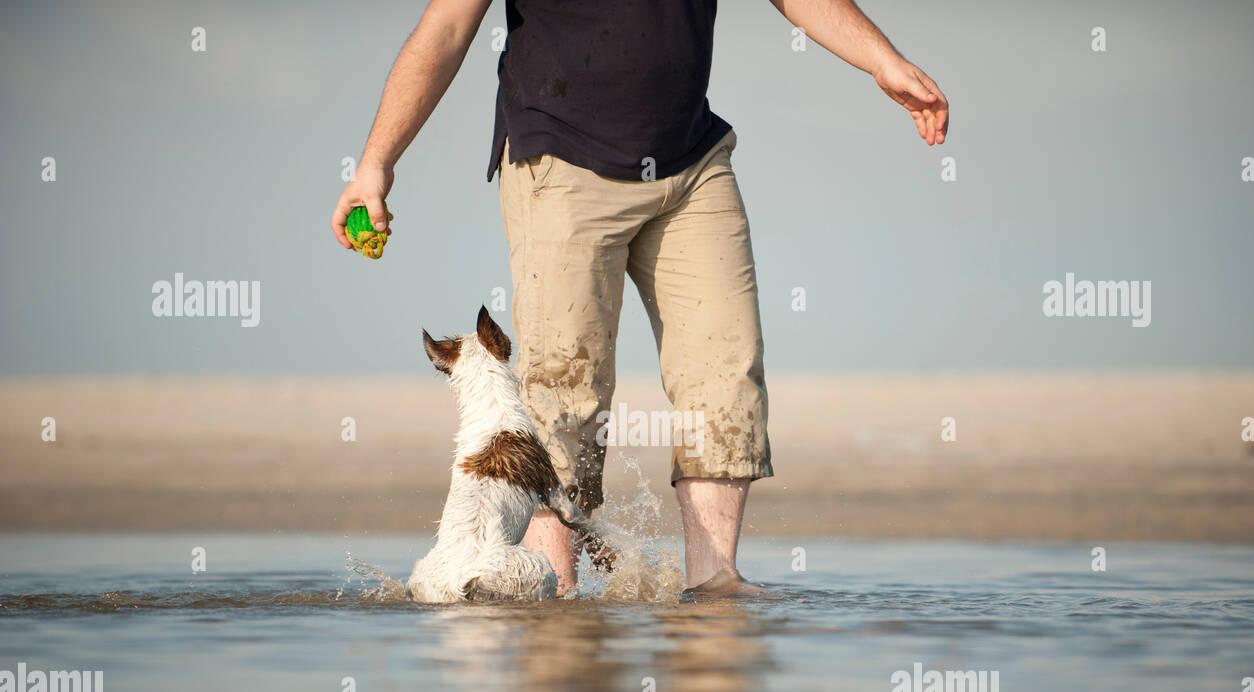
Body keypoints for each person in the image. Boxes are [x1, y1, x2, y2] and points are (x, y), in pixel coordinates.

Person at [331, 0, 949, 596]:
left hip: (691, 159)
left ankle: (714, 583)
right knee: (564, 387)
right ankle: (559, 588)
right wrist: (377, 163)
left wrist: (881, 60)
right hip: (562, 157)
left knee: (725, 372)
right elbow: (446, 26)